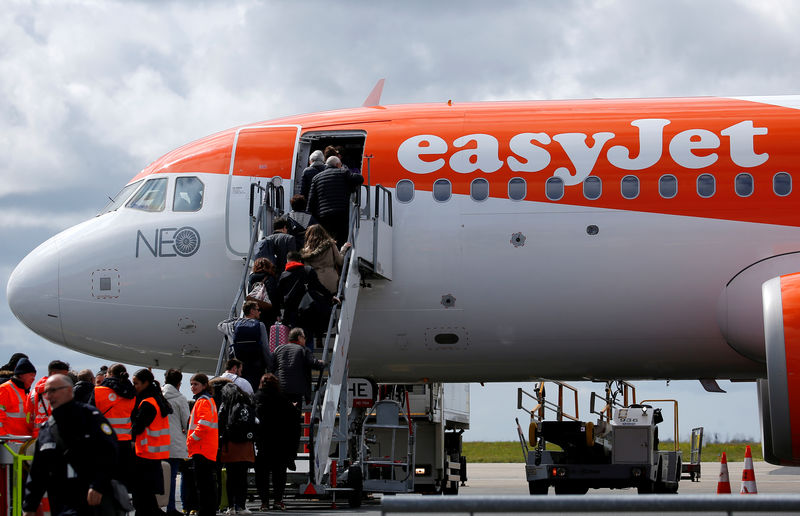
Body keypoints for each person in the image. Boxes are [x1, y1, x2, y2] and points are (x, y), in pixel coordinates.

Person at [22, 374, 120, 516]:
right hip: (62, 506)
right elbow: (38, 472)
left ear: (69, 390)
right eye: (46, 392)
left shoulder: (90, 417)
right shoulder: (47, 429)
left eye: (53, 390)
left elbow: (110, 452)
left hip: (92, 504)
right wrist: (29, 507)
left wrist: (98, 485)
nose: (49, 396)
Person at [131, 368, 172, 516]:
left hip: (144, 454)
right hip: (155, 455)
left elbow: (137, 428)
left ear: (146, 383)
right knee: (148, 499)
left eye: (136, 383)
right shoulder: (158, 401)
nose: (134, 387)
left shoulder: (147, 403)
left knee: (142, 498)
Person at [253, 374, 298, 511]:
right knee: (279, 475)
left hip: (262, 443)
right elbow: (293, 423)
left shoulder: (256, 398)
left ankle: (264, 502)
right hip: (280, 444)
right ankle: (278, 500)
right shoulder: (283, 399)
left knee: (262, 475)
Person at [92, 363, 137, 490]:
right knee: (121, 481)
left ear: (109, 375)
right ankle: (120, 508)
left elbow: (89, 415)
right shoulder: (131, 394)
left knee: (103, 479)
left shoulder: (98, 391)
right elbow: (134, 417)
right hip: (124, 442)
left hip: (103, 440)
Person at [276, 251, 334, 348]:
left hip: (292, 314)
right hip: (307, 310)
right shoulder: (307, 270)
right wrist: (330, 296)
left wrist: (278, 313)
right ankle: (308, 359)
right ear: (300, 260)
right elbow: (318, 286)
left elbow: (278, 296)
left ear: (288, 261)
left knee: (295, 340)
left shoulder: (283, 275)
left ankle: (297, 359)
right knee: (307, 338)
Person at [306, 155, 364, 247]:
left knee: (325, 239)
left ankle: (327, 257)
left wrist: (310, 218)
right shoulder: (343, 172)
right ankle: (339, 257)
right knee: (341, 239)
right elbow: (359, 179)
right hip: (341, 214)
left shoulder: (316, 178)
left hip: (323, 215)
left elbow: (311, 201)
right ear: (337, 164)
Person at [218, 382, 255, 515]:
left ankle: (230, 507)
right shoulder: (246, 403)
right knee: (242, 477)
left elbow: (220, 424)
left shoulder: (224, 406)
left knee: (230, 478)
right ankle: (241, 505)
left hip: (230, 446)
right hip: (245, 446)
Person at [217, 301, 271, 390]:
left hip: (238, 367)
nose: (260, 312)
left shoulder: (233, 325)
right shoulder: (260, 325)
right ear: (252, 311)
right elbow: (265, 348)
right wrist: (270, 365)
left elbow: (220, 325)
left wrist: (236, 319)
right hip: (256, 366)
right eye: (258, 309)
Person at [187, 373, 218, 516]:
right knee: (207, 484)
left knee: (203, 485)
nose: (192, 387)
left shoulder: (203, 401)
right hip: (206, 448)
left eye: (195, 384)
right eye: (191, 384)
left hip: (201, 448)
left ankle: (205, 511)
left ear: (204, 385)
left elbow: (203, 424)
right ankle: (208, 510)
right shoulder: (207, 400)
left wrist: (192, 438)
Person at [270, 327, 325, 405]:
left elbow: (271, 368)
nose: (305, 340)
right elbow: (313, 363)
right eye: (304, 337)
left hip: (280, 388)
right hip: (296, 390)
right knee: (295, 413)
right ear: (299, 337)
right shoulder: (303, 350)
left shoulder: (278, 349)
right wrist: (322, 363)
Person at [163, 369, 190, 516]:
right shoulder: (180, 399)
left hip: (157, 442)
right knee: (172, 476)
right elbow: (187, 423)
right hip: (174, 444)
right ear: (179, 383)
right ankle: (171, 507)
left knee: (159, 477)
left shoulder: (158, 395)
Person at [301, 224, 351, 295]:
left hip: (316, 284)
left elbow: (307, 271)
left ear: (309, 235)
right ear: (323, 233)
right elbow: (340, 261)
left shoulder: (305, 252)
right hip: (332, 281)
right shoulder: (330, 245)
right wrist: (343, 250)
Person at [30, 359, 70, 437]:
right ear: (53, 374)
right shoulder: (61, 391)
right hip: (55, 435)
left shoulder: (33, 392)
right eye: (64, 376)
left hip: (37, 436)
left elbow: (28, 417)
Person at [0, 357, 36, 439]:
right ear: (21, 374)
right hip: (8, 442)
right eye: (31, 375)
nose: (34, 378)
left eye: (34, 376)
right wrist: (2, 437)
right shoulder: (5, 389)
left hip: (21, 440)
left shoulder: (24, 392)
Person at [247, 257, 279, 328]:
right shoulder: (270, 278)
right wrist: (277, 314)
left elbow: (250, 294)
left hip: (255, 312)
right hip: (268, 312)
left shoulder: (251, 279)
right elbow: (274, 297)